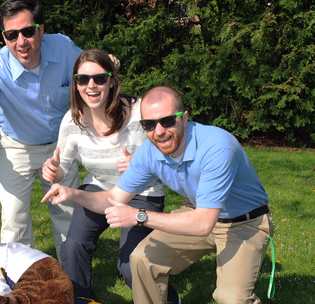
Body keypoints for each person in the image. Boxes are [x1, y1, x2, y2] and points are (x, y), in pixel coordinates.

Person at [43, 86, 275, 304]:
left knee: (231, 297)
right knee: (142, 259)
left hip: (244, 222)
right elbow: (113, 198)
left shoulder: (217, 147)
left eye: (167, 121)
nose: (159, 132)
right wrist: (72, 193)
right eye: (150, 125)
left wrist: (139, 216)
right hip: (197, 211)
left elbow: (203, 224)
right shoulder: (150, 151)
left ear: (184, 118)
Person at [42, 49, 174, 303]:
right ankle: (81, 300)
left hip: (141, 193)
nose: (91, 86)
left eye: (99, 79)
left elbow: (171, 149)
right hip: (99, 191)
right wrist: (53, 168)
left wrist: (142, 162)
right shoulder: (72, 120)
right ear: (75, 83)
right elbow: (63, 166)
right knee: (72, 247)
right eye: (83, 79)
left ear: (112, 81)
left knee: (131, 267)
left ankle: (169, 299)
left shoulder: (137, 113)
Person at [0, 0, 82, 259]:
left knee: (67, 215)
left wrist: (107, 65)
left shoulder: (64, 47)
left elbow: (90, 72)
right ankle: (23, 282)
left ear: (41, 30)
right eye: (12, 35)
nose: (21, 41)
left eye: (27, 31)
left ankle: (72, 280)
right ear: (3, 37)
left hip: (60, 147)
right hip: (15, 146)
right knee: (14, 220)